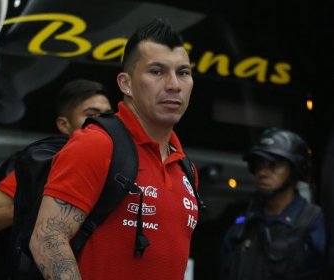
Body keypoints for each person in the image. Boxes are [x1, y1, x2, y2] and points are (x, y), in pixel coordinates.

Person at [29, 17, 198, 280]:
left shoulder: (186, 167)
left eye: (183, 73)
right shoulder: (96, 144)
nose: (174, 85)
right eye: (157, 71)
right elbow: (47, 238)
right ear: (125, 84)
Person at [0, 78, 112, 279]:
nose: (101, 122)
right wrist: (34, 210)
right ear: (64, 124)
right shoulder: (46, 166)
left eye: (108, 116)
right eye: (91, 115)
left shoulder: (123, 167)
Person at [220, 128, 326, 280]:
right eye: (259, 165)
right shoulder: (243, 224)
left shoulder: (315, 223)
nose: (262, 173)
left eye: (274, 165)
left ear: (294, 170)